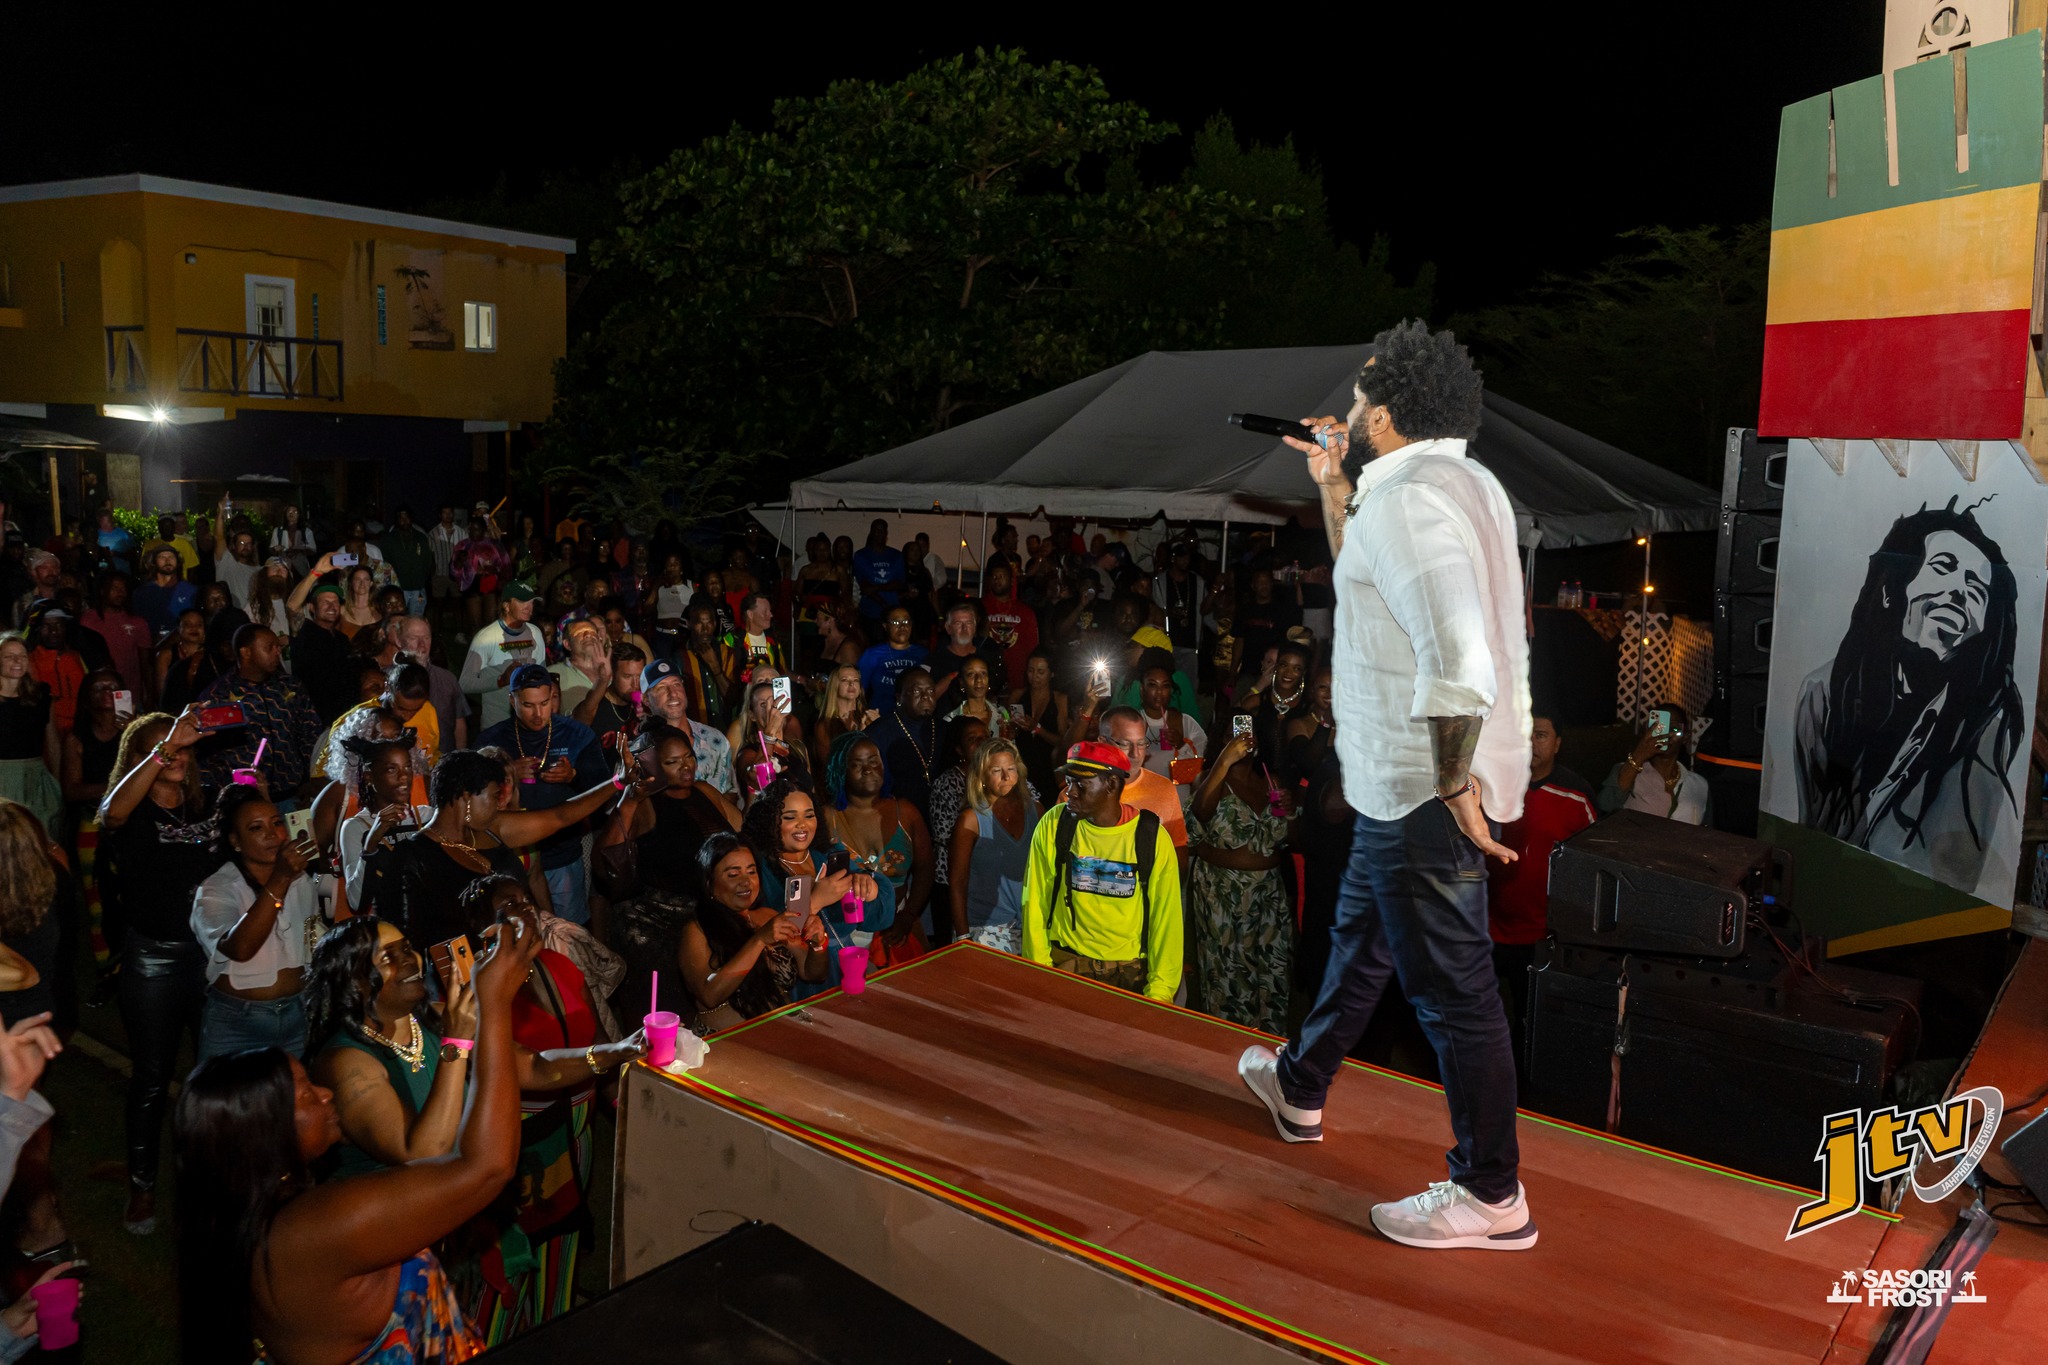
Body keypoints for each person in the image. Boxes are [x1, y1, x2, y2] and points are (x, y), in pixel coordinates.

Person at [1238, 323, 1536, 1252]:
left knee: (1454, 994)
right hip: (1396, 785)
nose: (1351, 405)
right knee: (1361, 944)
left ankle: (1491, 1192)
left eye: (1364, 394)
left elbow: (1460, 657)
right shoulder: (1444, 485)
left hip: (1421, 789)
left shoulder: (1411, 503)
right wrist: (1333, 484)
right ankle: (1300, 1082)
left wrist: (1452, 782)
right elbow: (1362, 577)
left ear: (1389, 413)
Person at [171, 903, 536, 1365]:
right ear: (266, 1135)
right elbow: (487, 1168)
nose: (326, 1094)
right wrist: (493, 1007)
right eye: (305, 1094)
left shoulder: (260, 1215)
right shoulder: (315, 1228)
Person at [456, 874, 646, 1342]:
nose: (527, 910)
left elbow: (597, 1040)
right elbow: (531, 1068)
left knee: (564, 1241)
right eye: (510, 907)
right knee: (513, 1256)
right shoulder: (480, 992)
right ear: (484, 930)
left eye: (527, 900)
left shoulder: (562, 966)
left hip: (578, 1126)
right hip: (523, 1138)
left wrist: (620, 1102)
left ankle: (552, 1335)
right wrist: (616, 1052)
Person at [303, 916, 474, 1179]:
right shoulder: (342, 1062)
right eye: (386, 957)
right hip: (402, 1201)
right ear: (354, 981)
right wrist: (456, 1042)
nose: (408, 959)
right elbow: (422, 1155)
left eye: (406, 948)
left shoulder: (440, 1017)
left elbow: (529, 1069)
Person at [1020, 740, 1182, 1001]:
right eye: (1069, 781)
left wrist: (1159, 994)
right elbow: (1035, 902)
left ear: (1112, 784)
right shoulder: (1054, 824)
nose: (1070, 792)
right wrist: (1042, 974)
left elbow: (1166, 920)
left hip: (1129, 974)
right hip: (1068, 965)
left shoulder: (1151, 837)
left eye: (1081, 784)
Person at [1489, 714, 1594, 1072]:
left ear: (1558, 743)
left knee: (1528, 1026)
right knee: (1476, 1018)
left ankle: (1521, 1092)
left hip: (1539, 935)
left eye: (1541, 735)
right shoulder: (1492, 784)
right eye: (1525, 734)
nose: (1531, 742)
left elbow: (1590, 867)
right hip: (1487, 927)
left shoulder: (1577, 795)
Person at [190, 784, 320, 1062]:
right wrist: (280, 878)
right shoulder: (217, 888)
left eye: (276, 823)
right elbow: (241, 948)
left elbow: (311, 942)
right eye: (256, 828)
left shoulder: (301, 882)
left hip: (296, 1016)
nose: (271, 834)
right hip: (237, 1023)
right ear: (235, 841)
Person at [475, 666, 613, 925]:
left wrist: (574, 776)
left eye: (545, 703)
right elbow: (472, 801)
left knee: (567, 929)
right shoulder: (491, 740)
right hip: (508, 861)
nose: (538, 714)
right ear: (512, 700)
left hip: (563, 855)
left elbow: (602, 790)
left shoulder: (577, 734)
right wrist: (505, 772)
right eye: (528, 705)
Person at [1187, 728, 1295, 1033]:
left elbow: (1293, 840)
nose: (1244, 737)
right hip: (1223, 892)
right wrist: (1224, 762)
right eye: (1234, 732)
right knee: (1227, 972)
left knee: (1272, 971)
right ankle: (1228, 1043)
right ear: (1221, 742)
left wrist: (1290, 812)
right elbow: (1201, 812)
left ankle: (1269, 1045)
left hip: (1268, 894)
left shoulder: (1271, 780)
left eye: (1250, 730)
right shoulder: (1210, 779)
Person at [741, 778, 891, 996]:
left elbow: (877, 919)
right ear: (768, 821)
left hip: (847, 967)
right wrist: (816, 901)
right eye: (790, 817)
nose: (803, 824)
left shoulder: (828, 855)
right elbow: (767, 928)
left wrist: (869, 887)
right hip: (797, 980)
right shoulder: (758, 869)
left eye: (809, 815)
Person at [677, 831, 829, 1033]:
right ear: (708, 882)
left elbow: (813, 973)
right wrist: (758, 940)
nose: (746, 882)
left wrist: (818, 943)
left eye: (751, 871)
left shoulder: (768, 916)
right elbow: (710, 995)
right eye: (733, 875)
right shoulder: (696, 930)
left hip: (779, 1034)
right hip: (726, 1043)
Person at [825, 734, 933, 957]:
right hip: (845, 934)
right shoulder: (827, 817)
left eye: (873, 761)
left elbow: (926, 868)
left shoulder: (905, 812)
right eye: (857, 764)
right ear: (841, 770)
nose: (867, 770)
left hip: (897, 931)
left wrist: (908, 915)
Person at [195, 624, 323, 796]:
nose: (277, 652)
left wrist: (312, 779)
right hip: (244, 797)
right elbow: (207, 753)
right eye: (270, 648)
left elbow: (311, 733)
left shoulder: (289, 686)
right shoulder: (219, 695)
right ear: (246, 652)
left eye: (278, 647)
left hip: (293, 792)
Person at [947, 737, 1042, 953]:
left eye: (1011, 769)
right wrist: (963, 937)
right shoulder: (971, 820)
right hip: (984, 929)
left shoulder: (1035, 811)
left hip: (1029, 925)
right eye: (997, 770)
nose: (1006, 776)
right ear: (981, 776)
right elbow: (957, 882)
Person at [334, 727, 434, 911]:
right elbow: (356, 903)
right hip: (386, 926)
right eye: (391, 769)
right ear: (369, 778)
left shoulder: (427, 816)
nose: (403, 777)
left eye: (407, 767)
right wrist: (372, 841)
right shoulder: (355, 827)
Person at [640, 659, 737, 802]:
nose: (673, 694)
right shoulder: (639, 751)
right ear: (646, 699)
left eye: (676, 684)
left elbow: (732, 793)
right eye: (661, 688)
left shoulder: (715, 739)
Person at [1599, 703, 1710, 825]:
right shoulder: (1628, 772)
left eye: (1674, 729)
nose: (1666, 735)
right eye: (1659, 728)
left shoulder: (1700, 785)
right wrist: (1639, 754)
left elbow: (1707, 831)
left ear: (1686, 737)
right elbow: (1605, 805)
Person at [459, 580, 545, 730]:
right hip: (497, 726)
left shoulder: (535, 633)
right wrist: (501, 680)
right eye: (522, 601)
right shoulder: (486, 638)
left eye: (531, 602)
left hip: (528, 727)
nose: (529, 607)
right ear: (506, 605)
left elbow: (543, 674)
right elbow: (465, 683)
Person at [0, 641, 58, 834]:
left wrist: (56, 780)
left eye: (22, 656)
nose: (17, 661)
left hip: (35, 779)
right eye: (9, 656)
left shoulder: (40, 696)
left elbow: (52, 742)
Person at [869, 666, 939, 814]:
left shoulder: (944, 728)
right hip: (897, 814)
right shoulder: (879, 732)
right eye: (916, 691)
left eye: (930, 690)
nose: (925, 696)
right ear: (899, 697)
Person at [1006, 648, 1071, 800]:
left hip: (1048, 767)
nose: (1035, 676)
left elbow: (1063, 742)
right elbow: (1009, 728)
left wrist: (1037, 728)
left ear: (1051, 673)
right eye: (1031, 671)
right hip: (1022, 764)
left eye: (1041, 672)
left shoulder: (1060, 699)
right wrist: (1011, 729)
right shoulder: (1017, 695)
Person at [80, 572, 152, 702]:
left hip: (129, 694)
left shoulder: (138, 623)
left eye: (123, 588)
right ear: (102, 591)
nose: (120, 592)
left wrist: (150, 695)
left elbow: (145, 664)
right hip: (98, 694)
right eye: (114, 588)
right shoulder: (88, 620)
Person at [1136, 657, 1207, 788]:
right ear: (1142, 689)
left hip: (1178, 794)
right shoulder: (1132, 722)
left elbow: (1203, 760)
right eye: (1152, 685)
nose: (1159, 692)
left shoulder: (1185, 721)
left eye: (1165, 686)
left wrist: (1181, 745)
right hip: (1144, 793)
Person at [677, 599, 740, 729]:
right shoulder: (680, 657)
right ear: (690, 624)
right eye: (699, 623)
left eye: (709, 623)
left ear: (715, 624)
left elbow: (734, 699)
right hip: (694, 730)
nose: (705, 629)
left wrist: (715, 668)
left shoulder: (728, 653)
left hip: (725, 728)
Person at [25, 608, 87, 738]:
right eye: (46, 626)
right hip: (46, 732)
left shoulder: (77, 656)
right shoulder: (30, 660)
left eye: (58, 625)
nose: (53, 631)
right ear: (38, 630)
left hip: (79, 731)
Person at [980, 562, 1038, 696]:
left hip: (1017, 681)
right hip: (986, 679)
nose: (997, 580)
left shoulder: (1025, 611)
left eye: (1002, 576)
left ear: (1012, 581)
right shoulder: (980, 607)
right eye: (994, 577)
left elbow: (1032, 647)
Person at [812, 665, 878, 772]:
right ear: (834, 686)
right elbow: (830, 766)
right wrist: (858, 737)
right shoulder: (825, 725)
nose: (851, 684)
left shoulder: (868, 717)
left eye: (855, 680)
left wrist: (879, 727)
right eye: (844, 680)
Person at [928, 603, 997, 701]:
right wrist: (951, 678)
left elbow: (995, 694)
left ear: (975, 627)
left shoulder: (987, 658)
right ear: (948, 628)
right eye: (958, 623)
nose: (964, 628)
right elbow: (927, 698)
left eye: (969, 623)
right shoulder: (934, 660)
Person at [134, 546, 197, 640]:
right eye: (162, 557)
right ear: (154, 562)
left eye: (171, 557)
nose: (167, 561)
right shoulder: (142, 593)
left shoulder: (191, 591)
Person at [381, 507, 433, 619]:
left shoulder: (421, 537)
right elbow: (386, 564)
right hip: (398, 589)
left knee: (416, 619)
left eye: (407, 517)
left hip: (418, 589)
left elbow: (428, 561)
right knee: (398, 619)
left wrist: (423, 578)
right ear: (396, 520)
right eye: (401, 518)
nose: (404, 521)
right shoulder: (389, 539)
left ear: (411, 518)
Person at [852, 518, 905, 624]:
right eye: (877, 531)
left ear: (886, 533)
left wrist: (876, 587)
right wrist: (883, 603)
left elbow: (899, 583)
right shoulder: (861, 555)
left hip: (893, 610)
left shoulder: (896, 555)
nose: (879, 534)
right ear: (871, 532)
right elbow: (864, 586)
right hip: (869, 611)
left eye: (882, 531)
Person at [212, 497, 261, 608]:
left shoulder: (259, 571)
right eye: (242, 543)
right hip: (230, 614)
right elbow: (218, 537)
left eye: (249, 544)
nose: (246, 546)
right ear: (234, 545)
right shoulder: (226, 562)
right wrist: (221, 512)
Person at [730, 591, 787, 675]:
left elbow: (782, 672)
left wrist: (799, 678)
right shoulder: (732, 640)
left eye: (770, 611)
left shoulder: (773, 642)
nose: (771, 615)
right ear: (750, 614)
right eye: (765, 611)